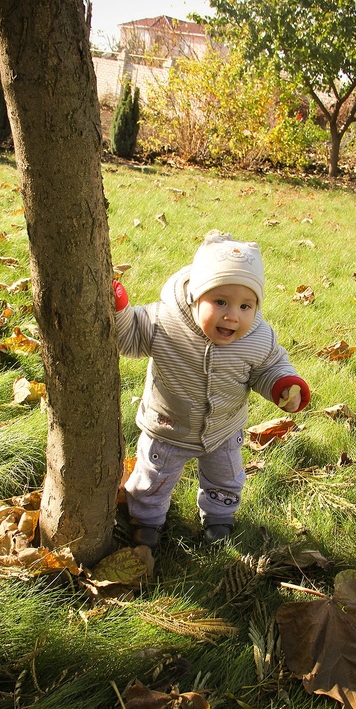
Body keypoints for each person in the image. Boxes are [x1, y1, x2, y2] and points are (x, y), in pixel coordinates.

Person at [113, 230, 310, 550]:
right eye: (220, 302)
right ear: (195, 295)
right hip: (168, 427)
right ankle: (146, 523)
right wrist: (120, 309)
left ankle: (219, 519)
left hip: (223, 429)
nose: (233, 315)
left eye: (246, 305)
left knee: (227, 478)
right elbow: (129, 337)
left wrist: (283, 385)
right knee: (152, 478)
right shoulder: (164, 321)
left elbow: (269, 366)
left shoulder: (257, 337)